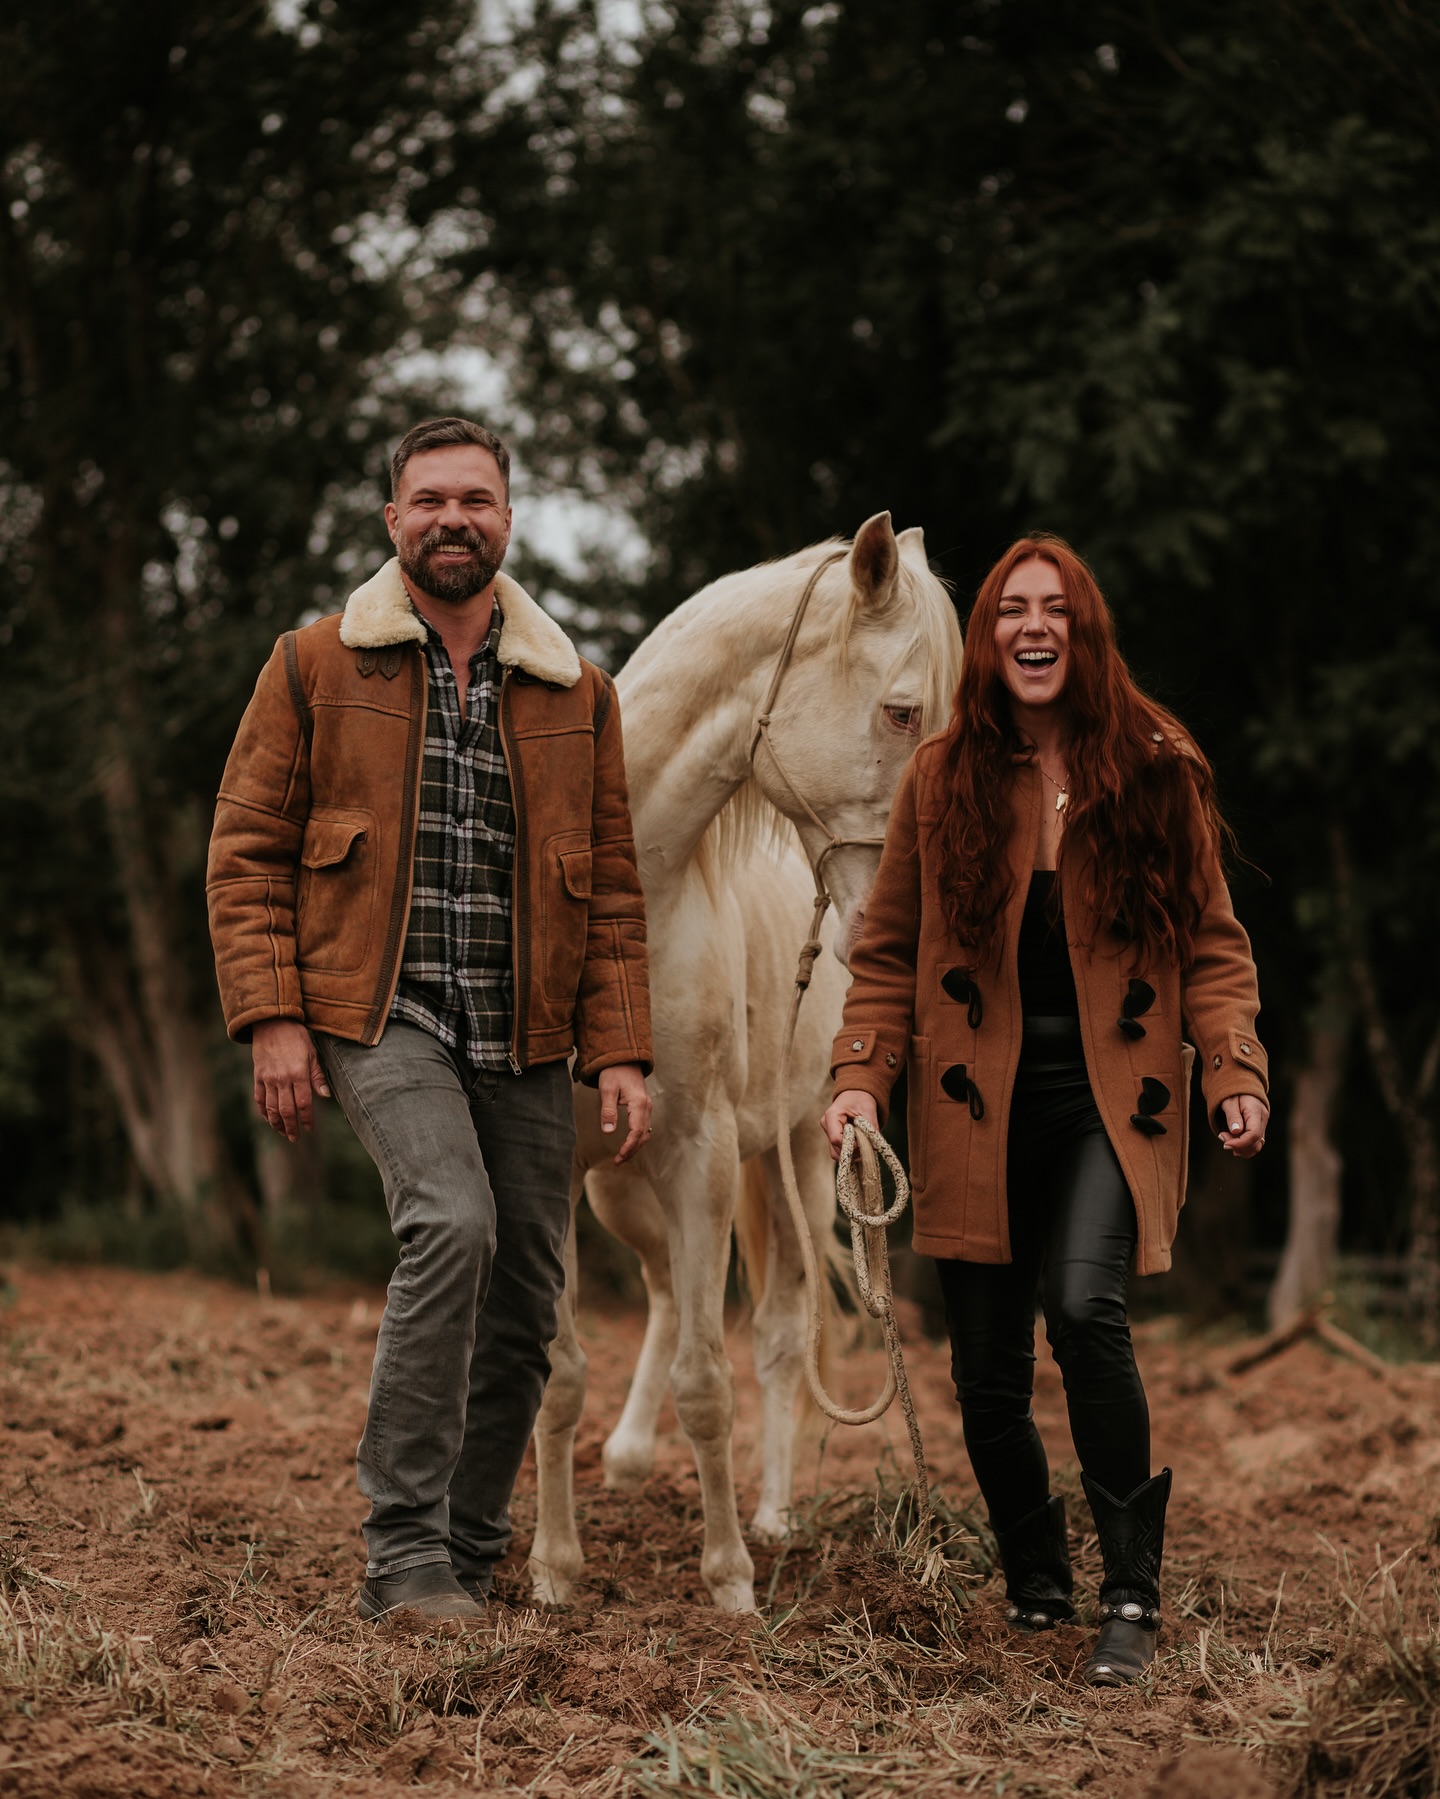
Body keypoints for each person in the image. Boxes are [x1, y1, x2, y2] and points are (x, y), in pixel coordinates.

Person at [207, 417, 654, 1623]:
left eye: (476, 499)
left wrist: (618, 1046)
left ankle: (466, 1546)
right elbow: (245, 852)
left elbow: (610, 884)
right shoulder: (312, 665)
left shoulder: (580, 691)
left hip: (527, 1028)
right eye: (428, 499)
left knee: (531, 1291)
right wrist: (272, 1017)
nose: (453, 518)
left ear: (509, 518)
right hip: (376, 1008)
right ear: (391, 520)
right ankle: (401, 1551)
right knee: (452, 1224)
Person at [822, 535, 1268, 1685]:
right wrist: (861, 1075)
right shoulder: (941, 775)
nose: (1032, 625)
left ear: (1084, 632)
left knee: (1084, 1307)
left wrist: (1234, 1069)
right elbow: (885, 951)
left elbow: (1216, 947)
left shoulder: (1158, 766)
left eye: (1054, 609)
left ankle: (1130, 1590)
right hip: (976, 1101)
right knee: (984, 1370)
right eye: (1012, 609)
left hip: (1115, 1101)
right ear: (988, 639)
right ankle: (1036, 1584)